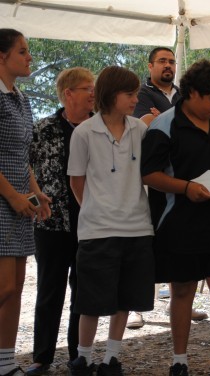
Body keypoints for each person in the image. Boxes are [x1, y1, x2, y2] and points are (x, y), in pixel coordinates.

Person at [141, 59, 210, 376]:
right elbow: (148, 174)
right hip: (179, 222)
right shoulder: (164, 125)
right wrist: (186, 188)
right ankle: (179, 361)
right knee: (183, 289)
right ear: (191, 93)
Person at [67, 66, 155, 376]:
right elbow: (76, 181)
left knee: (125, 298)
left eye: (136, 93)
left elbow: (150, 173)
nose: (135, 99)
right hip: (97, 230)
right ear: (111, 94)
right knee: (90, 300)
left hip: (138, 228)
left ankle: (112, 357)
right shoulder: (84, 132)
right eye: (130, 94)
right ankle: (83, 357)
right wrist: (95, 208)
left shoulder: (140, 130)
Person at [129, 46, 206, 329]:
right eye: (162, 61)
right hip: (152, 180)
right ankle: (138, 307)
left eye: (172, 61)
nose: (168, 66)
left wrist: (163, 114)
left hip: (183, 178)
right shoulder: (140, 93)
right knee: (149, 243)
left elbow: (191, 125)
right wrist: (168, 116)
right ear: (149, 66)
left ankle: (182, 304)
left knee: (179, 244)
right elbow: (144, 126)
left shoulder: (184, 95)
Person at [26, 67, 95, 376]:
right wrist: (33, 199)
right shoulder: (42, 129)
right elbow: (22, 169)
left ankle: (78, 357)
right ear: (69, 94)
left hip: (91, 222)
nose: (93, 93)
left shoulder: (99, 129)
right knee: (50, 291)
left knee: (84, 292)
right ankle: (42, 358)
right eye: (87, 88)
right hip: (51, 225)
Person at [0, 28, 52, 376]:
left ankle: (5, 363)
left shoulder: (22, 99)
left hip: (19, 202)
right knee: (3, 285)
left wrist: (35, 192)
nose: (30, 56)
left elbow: (23, 156)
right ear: (1, 57)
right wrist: (12, 195)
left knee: (16, 287)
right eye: (22, 51)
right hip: (4, 200)